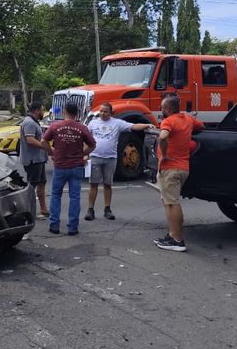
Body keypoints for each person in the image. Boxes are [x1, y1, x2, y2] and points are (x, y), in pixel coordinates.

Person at [85, 102, 154, 221]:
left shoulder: (117, 123)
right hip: (95, 157)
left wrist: (147, 125)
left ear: (111, 113)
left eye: (105, 111)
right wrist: (85, 154)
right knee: (93, 184)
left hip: (110, 158)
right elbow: (86, 138)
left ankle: (107, 209)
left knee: (108, 184)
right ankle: (90, 209)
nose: (102, 113)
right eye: (101, 111)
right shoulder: (93, 123)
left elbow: (133, 126)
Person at [154, 95, 204, 252]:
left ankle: (177, 240)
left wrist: (164, 154)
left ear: (168, 109)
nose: (161, 111)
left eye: (162, 108)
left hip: (170, 167)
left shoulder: (168, 122)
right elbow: (200, 125)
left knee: (172, 202)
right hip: (183, 167)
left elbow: (163, 137)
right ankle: (172, 234)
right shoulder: (187, 119)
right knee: (168, 201)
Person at [42, 101, 95, 235]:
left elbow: (43, 141)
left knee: (55, 196)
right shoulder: (82, 128)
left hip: (60, 165)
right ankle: (72, 227)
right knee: (75, 197)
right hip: (76, 166)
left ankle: (54, 225)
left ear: (64, 111)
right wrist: (83, 153)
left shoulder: (55, 126)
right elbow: (93, 145)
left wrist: (51, 152)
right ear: (77, 113)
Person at [19, 101, 50, 218]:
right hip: (32, 160)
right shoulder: (29, 123)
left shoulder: (34, 122)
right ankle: (28, 211)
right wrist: (45, 147)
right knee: (32, 186)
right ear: (37, 111)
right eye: (42, 110)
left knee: (42, 183)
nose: (43, 112)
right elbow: (30, 140)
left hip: (39, 159)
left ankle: (43, 209)